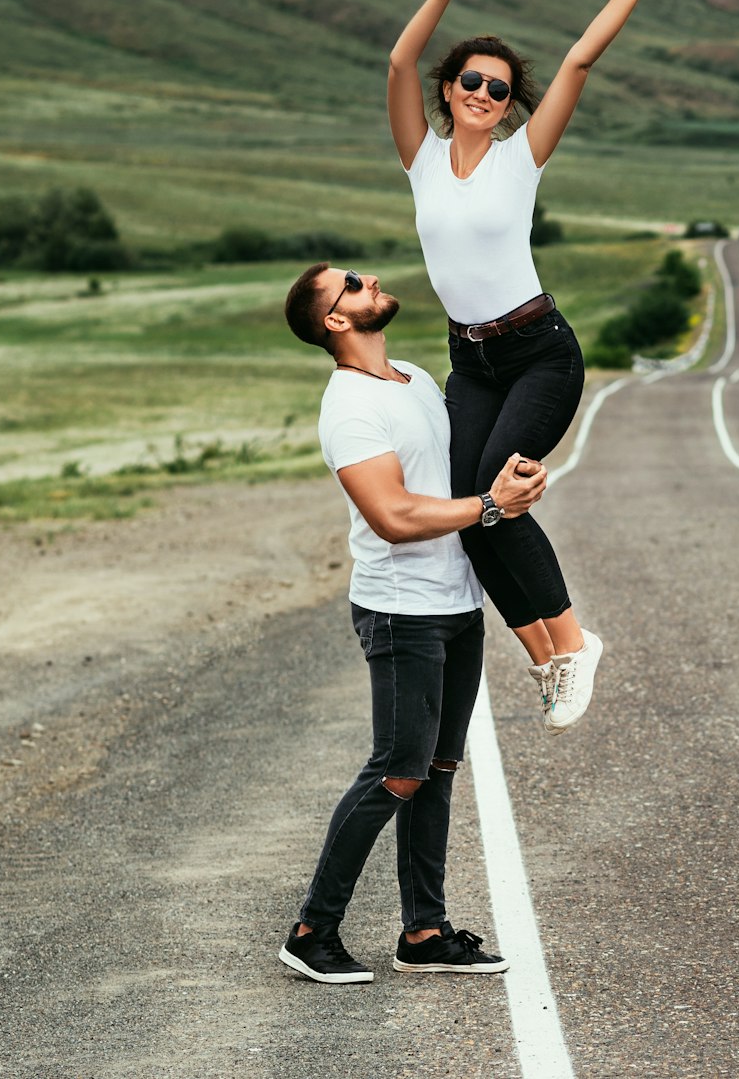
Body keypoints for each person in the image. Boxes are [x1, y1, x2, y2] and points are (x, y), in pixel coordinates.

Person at [385, 0, 673, 733]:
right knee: (472, 507)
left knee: (498, 499)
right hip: (470, 360)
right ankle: (547, 657)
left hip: (540, 353)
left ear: (511, 105)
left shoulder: (521, 159)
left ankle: (576, 641)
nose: (483, 92)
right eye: (472, 80)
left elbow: (579, 61)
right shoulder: (421, 159)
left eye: (500, 88)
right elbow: (399, 63)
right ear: (450, 89)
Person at [276, 261, 547, 984]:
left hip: (457, 602)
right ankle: (312, 928)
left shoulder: (418, 380)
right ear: (336, 320)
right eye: (354, 283)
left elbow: (464, 476)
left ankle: (424, 931)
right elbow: (394, 517)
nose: (371, 281)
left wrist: (513, 481)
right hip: (401, 611)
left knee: (436, 768)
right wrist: (490, 507)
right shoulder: (349, 407)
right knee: (397, 771)